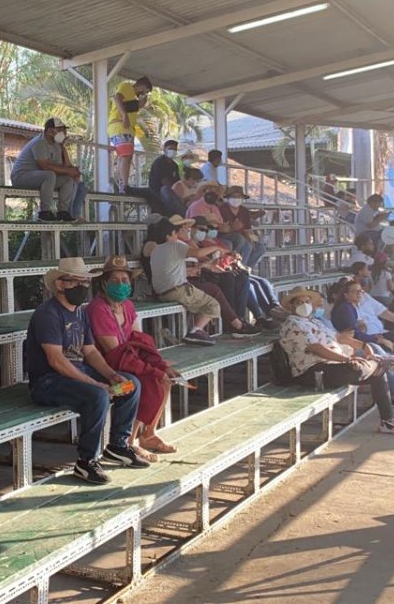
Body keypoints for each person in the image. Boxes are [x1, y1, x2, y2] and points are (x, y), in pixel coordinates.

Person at [23, 258, 144, 485]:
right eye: (76, 282)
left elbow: (90, 351)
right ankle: (86, 461)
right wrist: (96, 384)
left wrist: (110, 375)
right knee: (97, 395)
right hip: (48, 382)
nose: (82, 287)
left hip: (78, 372)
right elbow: (56, 360)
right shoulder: (47, 314)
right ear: (60, 284)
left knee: (131, 384)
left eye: (85, 282)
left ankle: (118, 445)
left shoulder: (80, 312)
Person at [279, 287, 394, 436]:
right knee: (362, 369)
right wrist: (348, 359)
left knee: (378, 373)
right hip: (313, 372)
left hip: (332, 366)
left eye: (307, 301)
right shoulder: (293, 323)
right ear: (292, 306)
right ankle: (384, 362)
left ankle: (388, 422)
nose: (305, 305)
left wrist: (363, 345)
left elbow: (339, 338)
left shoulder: (314, 322)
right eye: (299, 302)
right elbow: (317, 349)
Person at [87, 255, 181, 462]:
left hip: (128, 360)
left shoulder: (127, 306)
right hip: (107, 371)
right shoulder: (98, 309)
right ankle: (129, 442)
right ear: (103, 283)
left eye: (125, 280)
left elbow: (140, 342)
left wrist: (161, 365)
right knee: (137, 383)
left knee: (165, 379)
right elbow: (115, 354)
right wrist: (152, 370)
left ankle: (148, 434)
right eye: (114, 281)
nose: (121, 284)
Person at [329, 278, 394, 421]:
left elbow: (357, 333)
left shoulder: (350, 307)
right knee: (382, 356)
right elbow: (355, 335)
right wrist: (377, 339)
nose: (360, 294)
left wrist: (375, 338)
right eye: (355, 292)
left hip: (354, 345)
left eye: (361, 291)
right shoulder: (345, 308)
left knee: (385, 362)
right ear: (346, 295)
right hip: (347, 349)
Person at [148, 217, 259, 345]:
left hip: (161, 293)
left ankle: (226, 324)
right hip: (177, 290)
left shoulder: (156, 250)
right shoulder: (174, 245)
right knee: (213, 305)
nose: (176, 236)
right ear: (168, 236)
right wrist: (217, 247)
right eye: (174, 233)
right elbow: (199, 253)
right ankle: (196, 330)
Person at [11, 117, 88, 222]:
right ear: (51, 131)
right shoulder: (40, 142)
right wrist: (69, 171)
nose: (64, 133)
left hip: (40, 178)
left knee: (68, 178)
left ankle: (63, 212)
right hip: (21, 177)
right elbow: (44, 166)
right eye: (61, 130)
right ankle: (44, 213)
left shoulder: (56, 145)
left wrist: (62, 148)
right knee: (50, 175)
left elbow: (65, 167)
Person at [107, 77, 152, 190]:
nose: (144, 93)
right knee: (126, 156)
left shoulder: (133, 97)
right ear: (142, 86)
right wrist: (124, 115)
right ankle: (124, 184)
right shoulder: (126, 86)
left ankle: (118, 181)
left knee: (125, 156)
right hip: (120, 126)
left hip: (127, 129)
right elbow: (117, 98)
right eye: (145, 91)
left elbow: (131, 106)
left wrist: (140, 103)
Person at [219, 185, 267, 266]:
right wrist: (232, 228)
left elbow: (247, 230)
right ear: (228, 198)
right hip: (225, 236)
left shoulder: (244, 211)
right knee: (246, 244)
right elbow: (221, 228)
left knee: (260, 248)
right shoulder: (222, 209)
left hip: (242, 235)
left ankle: (246, 269)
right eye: (233, 196)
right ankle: (239, 269)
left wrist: (250, 239)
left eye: (238, 197)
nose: (236, 199)